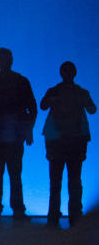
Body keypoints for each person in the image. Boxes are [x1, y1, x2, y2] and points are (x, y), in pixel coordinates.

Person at [0, 48, 37, 223]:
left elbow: (32, 108)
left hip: (4, 136)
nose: (5, 62)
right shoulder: (19, 80)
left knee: (5, 174)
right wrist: (28, 130)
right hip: (3, 136)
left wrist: (27, 130)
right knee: (8, 174)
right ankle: (13, 209)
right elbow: (32, 109)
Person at [40, 61, 96, 228]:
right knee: (73, 181)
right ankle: (74, 216)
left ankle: (54, 217)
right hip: (72, 141)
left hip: (61, 141)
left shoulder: (56, 90)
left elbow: (43, 105)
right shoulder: (79, 91)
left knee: (58, 182)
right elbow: (92, 109)